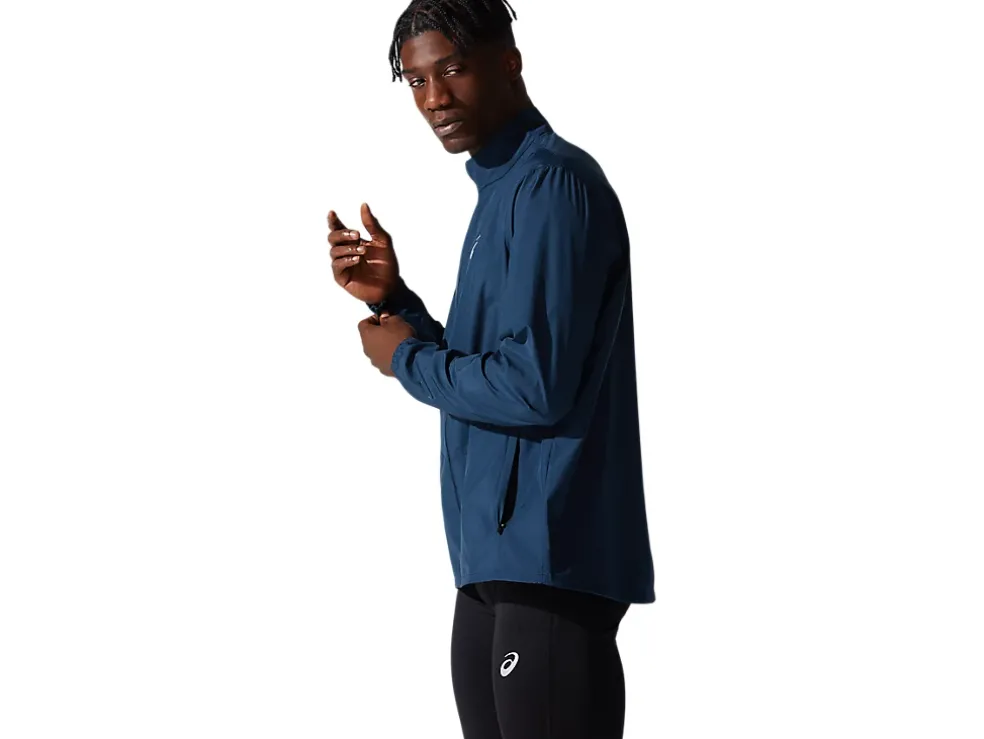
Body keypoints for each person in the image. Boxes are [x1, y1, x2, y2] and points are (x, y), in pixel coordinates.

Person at [327, 2, 654, 736]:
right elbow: (494, 366)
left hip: (549, 556)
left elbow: (534, 386)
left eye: (452, 69)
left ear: (508, 62)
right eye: (416, 81)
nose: (434, 98)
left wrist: (405, 358)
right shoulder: (502, 191)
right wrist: (396, 303)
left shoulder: (552, 187)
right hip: (494, 561)